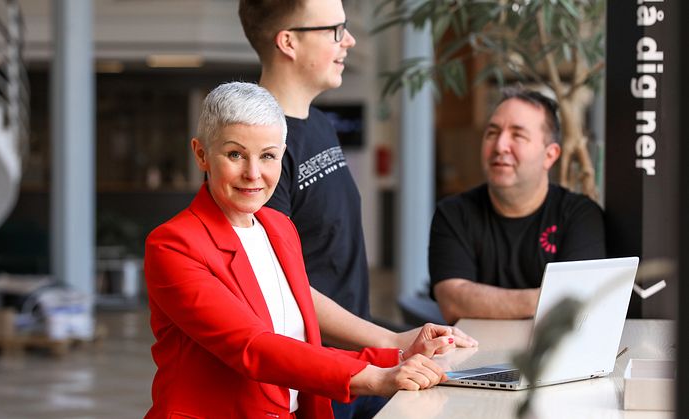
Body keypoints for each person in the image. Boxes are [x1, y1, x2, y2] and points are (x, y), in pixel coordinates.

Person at [144, 82, 475, 418]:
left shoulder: (278, 227)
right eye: (235, 154)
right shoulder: (173, 244)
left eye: (268, 156)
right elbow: (253, 347)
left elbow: (300, 342)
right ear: (201, 154)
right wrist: (377, 378)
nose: (253, 173)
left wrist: (400, 356)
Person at [238, 2, 402, 416]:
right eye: (334, 30)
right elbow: (275, 283)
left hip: (355, 359)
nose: (349, 40)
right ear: (288, 42)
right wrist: (390, 340)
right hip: (316, 377)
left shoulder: (319, 123)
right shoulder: (256, 146)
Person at [429, 87, 606, 325]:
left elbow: (578, 306)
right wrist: (545, 299)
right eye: (492, 132)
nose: (500, 145)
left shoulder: (579, 215)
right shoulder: (453, 214)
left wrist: (481, 300)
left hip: (554, 355)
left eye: (518, 135)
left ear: (550, 155)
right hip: (474, 355)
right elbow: (453, 302)